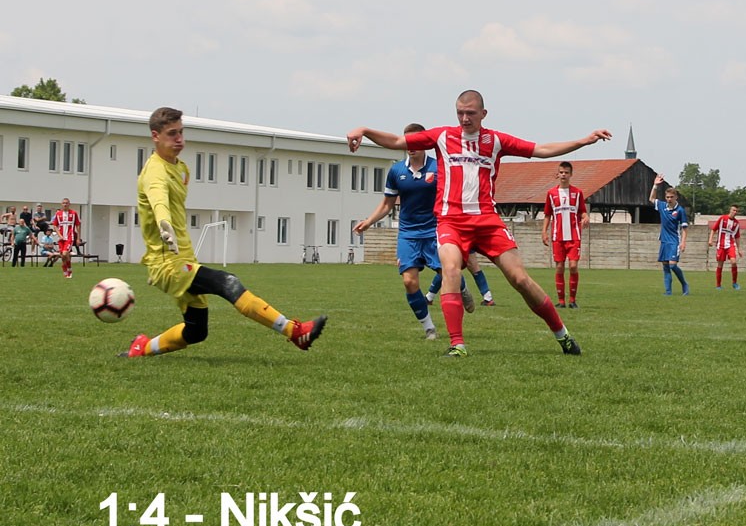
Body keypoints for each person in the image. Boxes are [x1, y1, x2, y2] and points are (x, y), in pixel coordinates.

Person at [347, 89, 611, 357]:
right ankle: (457, 344)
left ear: (483, 114)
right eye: (460, 113)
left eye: (470, 113)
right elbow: (396, 140)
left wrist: (584, 141)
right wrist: (364, 130)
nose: (464, 118)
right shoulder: (441, 136)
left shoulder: (494, 140)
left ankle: (562, 335)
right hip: (451, 221)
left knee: (519, 279)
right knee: (450, 270)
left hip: (487, 220)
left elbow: (541, 150)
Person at [120, 107, 327, 358]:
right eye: (172, 134)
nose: (179, 139)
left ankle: (141, 349)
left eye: (181, 132)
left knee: (197, 331)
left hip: (183, 257)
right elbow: (158, 200)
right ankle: (295, 332)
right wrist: (164, 225)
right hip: (167, 263)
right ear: (155, 136)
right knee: (227, 282)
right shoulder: (155, 172)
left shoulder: (181, 168)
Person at [353, 122, 476, 341]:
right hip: (408, 233)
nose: (411, 146)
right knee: (409, 282)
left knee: (447, 274)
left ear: (425, 143)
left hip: (435, 231)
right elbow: (387, 204)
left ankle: (463, 287)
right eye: (407, 141)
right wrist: (369, 221)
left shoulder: (438, 167)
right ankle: (429, 328)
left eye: (416, 141)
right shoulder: (397, 170)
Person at [542, 161, 588, 308]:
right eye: (561, 172)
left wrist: (585, 217)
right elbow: (548, 215)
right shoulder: (551, 194)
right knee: (559, 267)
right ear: (558, 174)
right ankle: (561, 301)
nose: (563, 175)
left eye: (566, 172)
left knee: (573, 266)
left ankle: (572, 300)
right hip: (558, 236)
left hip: (574, 236)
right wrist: (544, 232)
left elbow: (583, 211)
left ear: (571, 175)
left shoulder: (577, 193)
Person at [650, 175, 689, 295]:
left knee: (672, 266)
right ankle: (668, 292)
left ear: (676, 197)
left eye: (671, 197)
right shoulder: (662, 206)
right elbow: (651, 199)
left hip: (674, 242)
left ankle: (684, 284)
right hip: (664, 241)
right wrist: (655, 185)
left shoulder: (680, 211)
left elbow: (684, 228)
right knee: (666, 267)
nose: (669, 199)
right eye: (667, 197)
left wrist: (683, 242)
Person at [426, 252, 496, 306]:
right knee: (470, 264)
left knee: (448, 266)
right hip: (464, 236)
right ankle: (488, 297)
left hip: (458, 236)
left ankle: (429, 297)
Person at [708, 205, 743, 290]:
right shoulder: (722, 218)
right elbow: (714, 229)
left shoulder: (736, 223)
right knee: (720, 265)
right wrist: (710, 240)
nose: (735, 212)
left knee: (734, 262)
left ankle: (734, 283)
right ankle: (718, 285)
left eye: (736, 211)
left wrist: (739, 249)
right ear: (730, 210)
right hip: (721, 245)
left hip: (730, 245)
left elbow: (737, 237)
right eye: (733, 210)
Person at [51, 198, 81, 279]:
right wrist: (59, 235)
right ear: (61, 204)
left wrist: (78, 238)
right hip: (61, 238)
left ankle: (69, 270)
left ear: (69, 204)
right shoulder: (58, 214)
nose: (65, 204)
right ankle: (66, 271)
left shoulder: (74, 213)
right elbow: (54, 226)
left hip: (69, 237)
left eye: (66, 203)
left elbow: (78, 225)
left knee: (65, 253)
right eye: (63, 203)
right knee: (63, 256)